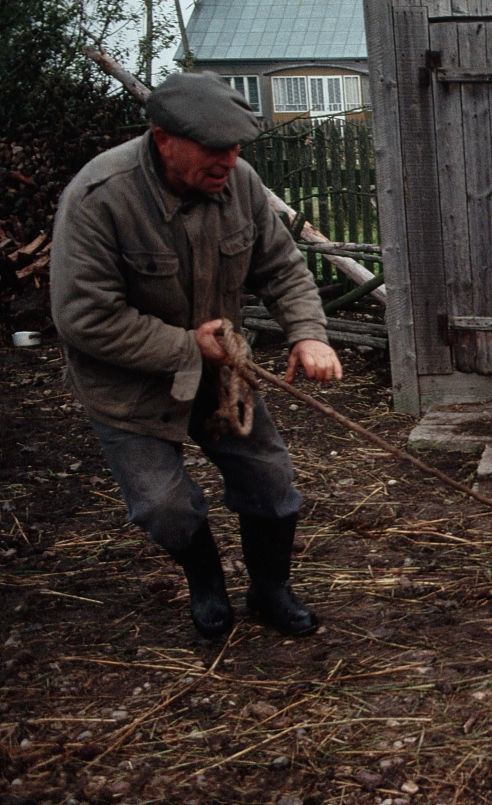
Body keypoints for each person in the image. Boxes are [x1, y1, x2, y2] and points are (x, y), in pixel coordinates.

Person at [50, 71, 343, 640]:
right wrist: (187, 346)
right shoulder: (100, 197)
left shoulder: (239, 183)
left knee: (269, 479)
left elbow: (282, 269)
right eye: (215, 147)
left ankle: (271, 590)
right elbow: (84, 316)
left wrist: (308, 334)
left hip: (219, 377)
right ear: (164, 139)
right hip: (128, 386)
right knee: (164, 507)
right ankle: (206, 585)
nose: (230, 160)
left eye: (236, 147)